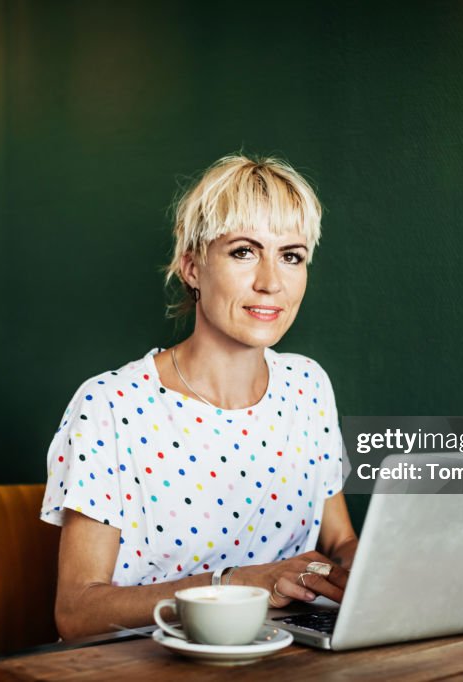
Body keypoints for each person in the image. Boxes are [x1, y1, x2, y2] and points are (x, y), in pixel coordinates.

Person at [40, 153, 358, 640]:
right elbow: (76, 612)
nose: (271, 282)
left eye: (291, 256)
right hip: (149, 666)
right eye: (244, 252)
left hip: (285, 659)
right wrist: (231, 586)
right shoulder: (111, 404)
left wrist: (381, 569)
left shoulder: (309, 387)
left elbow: (339, 541)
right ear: (191, 266)